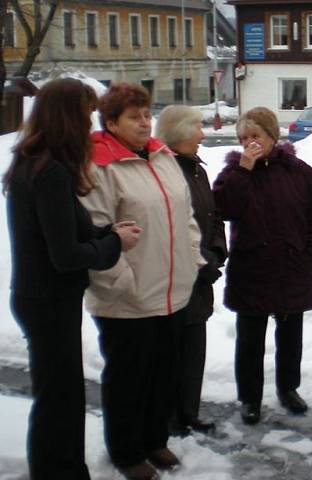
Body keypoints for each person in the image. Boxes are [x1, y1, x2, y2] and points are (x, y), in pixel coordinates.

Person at [4, 79, 140, 480]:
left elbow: (72, 230)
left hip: (43, 298)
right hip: (47, 300)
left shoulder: (39, 163)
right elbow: (66, 256)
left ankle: (60, 468)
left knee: (59, 393)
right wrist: (114, 244)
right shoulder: (50, 174)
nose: (90, 123)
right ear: (68, 117)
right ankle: (59, 471)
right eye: (85, 114)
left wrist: (105, 232)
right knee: (58, 397)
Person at [80, 83, 205, 480]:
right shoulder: (100, 165)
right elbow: (94, 230)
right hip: (127, 298)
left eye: (146, 114)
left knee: (164, 372)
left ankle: (154, 439)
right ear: (111, 122)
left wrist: (191, 257)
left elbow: (185, 216)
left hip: (172, 289)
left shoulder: (161, 155)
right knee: (128, 379)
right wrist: (121, 283)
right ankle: (126, 450)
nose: (144, 122)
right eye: (133, 117)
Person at [213, 107, 312, 424]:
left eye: (256, 135)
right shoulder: (233, 174)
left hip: (293, 267)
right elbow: (223, 208)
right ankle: (250, 398)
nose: (250, 142)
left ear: (271, 136)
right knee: (250, 339)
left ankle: (288, 389)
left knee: (290, 336)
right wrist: (243, 170)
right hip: (252, 269)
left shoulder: (299, 172)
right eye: (244, 137)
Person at [155, 105, 227, 435]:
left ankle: (189, 412)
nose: (203, 134)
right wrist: (200, 263)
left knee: (195, 348)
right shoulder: (163, 171)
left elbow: (212, 216)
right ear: (178, 133)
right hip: (175, 279)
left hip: (201, 276)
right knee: (171, 353)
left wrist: (215, 252)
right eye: (197, 127)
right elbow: (168, 229)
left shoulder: (198, 169)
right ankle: (169, 419)